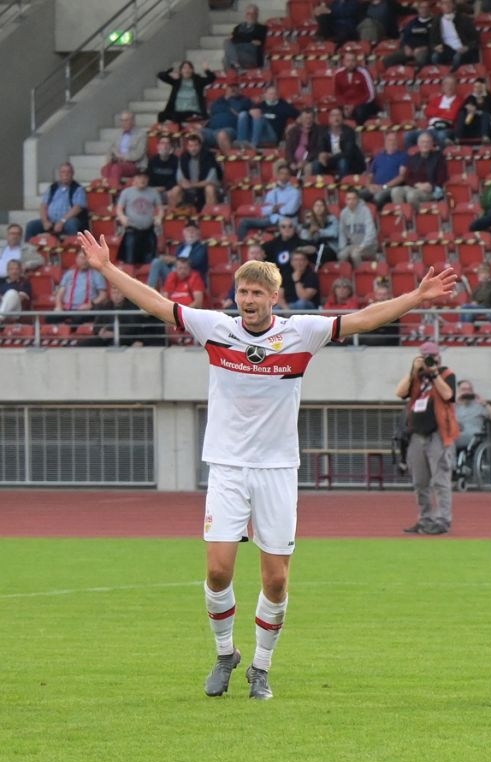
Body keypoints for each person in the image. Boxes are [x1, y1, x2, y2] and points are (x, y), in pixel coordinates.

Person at [69, 230, 455, 699]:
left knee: (276, 579)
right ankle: (225, 654)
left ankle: (261, 668)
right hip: (227, 466)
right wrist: (107, 268)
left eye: (256, 293)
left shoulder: (301, 333)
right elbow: (157, 304)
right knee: (217, 572)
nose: (247, 300)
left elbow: (363, 319)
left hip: (277, 470)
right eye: (242, 292)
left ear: (274, 297)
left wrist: (415, 297)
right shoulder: (216, 328)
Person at [398, 343, 457, 534]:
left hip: (438, 434)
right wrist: (412, 371)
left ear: (439, 356)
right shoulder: (416, 377)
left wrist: (434, 374)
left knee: (440, 480)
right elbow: (400, 392)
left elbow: (448, 395)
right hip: (417, 434)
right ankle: (425, 519)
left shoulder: (447, 374)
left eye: (433, 356)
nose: (431, 359)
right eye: (426, 357)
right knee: (420, 482)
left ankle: (443, 520)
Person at [225, 5, 269, 70]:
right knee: (227, 42)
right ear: (245, 15)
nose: (250, 16)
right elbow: (232, 39)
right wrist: (250, 40)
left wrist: (239, 37)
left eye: (253, 14)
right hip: (237, 53)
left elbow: (259, 43)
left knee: (229, 57)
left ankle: (236, 66)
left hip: (251, 57)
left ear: (257, 15)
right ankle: (236, 66)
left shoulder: (262, 28)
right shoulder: (238, 27)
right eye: (248, 13)